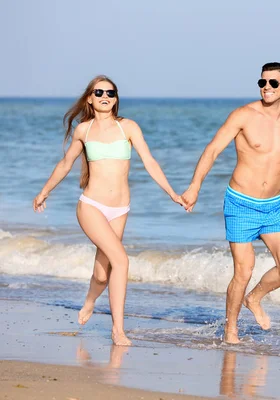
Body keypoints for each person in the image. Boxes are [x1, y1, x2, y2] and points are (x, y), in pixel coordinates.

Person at [33, 75, 184, 345]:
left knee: (102, 274)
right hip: (91, 206)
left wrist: (172, 193)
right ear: (89, 98)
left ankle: (90, 301)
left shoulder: (128, 127)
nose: (105, 96)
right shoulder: (84, 131)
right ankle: (118, 330)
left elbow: (149, 161)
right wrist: (44, 192)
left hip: (120, 209)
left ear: (116, 99)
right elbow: (65, 164)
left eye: (111, 93)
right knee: (121, 261)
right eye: (99, 92)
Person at [181, 62, 280, 344]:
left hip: (273, 206)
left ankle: (255, 298)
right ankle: (231, 329)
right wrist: (194, 186)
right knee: (244, 270)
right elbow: (213, 149)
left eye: (273, 83)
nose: (266, 88)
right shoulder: (244, 115)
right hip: (240, 204)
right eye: (262, 82)